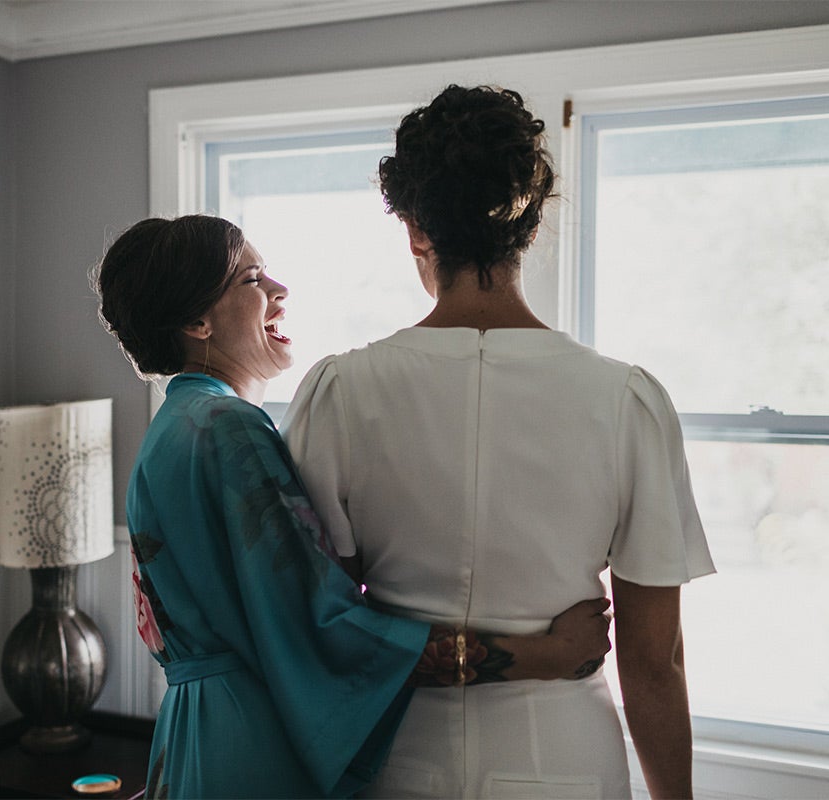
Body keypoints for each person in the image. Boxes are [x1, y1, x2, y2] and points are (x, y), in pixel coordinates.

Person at [282, 85, 716, 799]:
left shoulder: (341, 393)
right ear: (531, 227)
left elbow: (324, 618)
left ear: (418, 229)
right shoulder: (625, 401)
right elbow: (654, 658)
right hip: (564, 760)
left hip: (397, 756)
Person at [93, 214, 616, 799]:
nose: (279, 291)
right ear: (197, 321)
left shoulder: (174, 428)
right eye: (253, 279)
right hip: (250, 746)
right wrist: (543, 655)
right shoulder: (227, 429)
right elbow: (326, 632)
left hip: (196, 730)